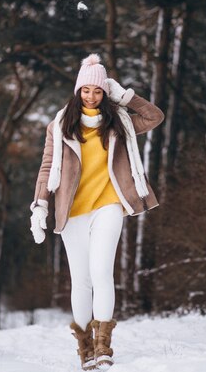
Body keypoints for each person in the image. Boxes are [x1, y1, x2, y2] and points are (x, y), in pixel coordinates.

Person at [29, 53, 164, 370]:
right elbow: (47, 166)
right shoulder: (59, 126)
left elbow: (155, 116)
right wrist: (40, 206)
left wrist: (126, 96)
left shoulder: (120, 121)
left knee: (103, 273)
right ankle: (85, 349)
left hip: (108, 205)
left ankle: (104, 347)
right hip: (72, 210)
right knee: (82, 281)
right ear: (78, 92)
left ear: (105, 93)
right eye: (86, 90)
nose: (91, 96)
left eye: (98, 91)